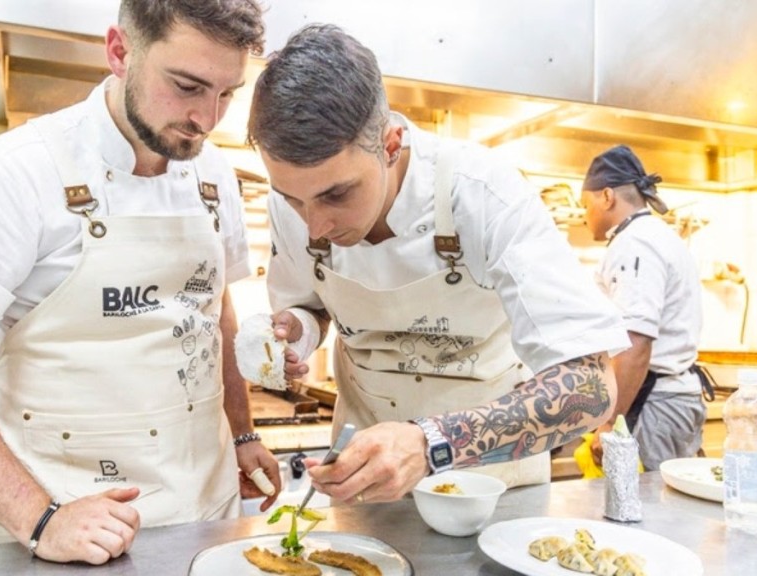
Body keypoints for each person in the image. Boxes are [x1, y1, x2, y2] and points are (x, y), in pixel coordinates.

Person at [0, 0, 279, 565]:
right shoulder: (16, 172)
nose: (206, 118)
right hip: (68, 522)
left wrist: (243, 434)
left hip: (206, 511)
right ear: (120, 52)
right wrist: (40, 518)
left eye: (226, 94)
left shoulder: (214, 173)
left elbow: (213, 311)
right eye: (187, 86)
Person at [245, 24, 630, 505]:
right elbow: (311, 307)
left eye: (336, 194)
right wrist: (298, 332)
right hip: (364, 486)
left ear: (390, 144)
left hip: (491, 489)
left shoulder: (483, 193)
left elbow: (591, 386)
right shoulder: (293, 211)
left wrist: (430, 443)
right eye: (292, 199)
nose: (315, 226)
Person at [580, 145, 708, 471]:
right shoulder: (654, 235)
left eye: (585, 204)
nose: (584, 215)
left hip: (655, 405)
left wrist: (611, 422)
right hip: (667, 399)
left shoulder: (635, 243)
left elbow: (635, 341)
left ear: (606, 196)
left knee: (648, 499)